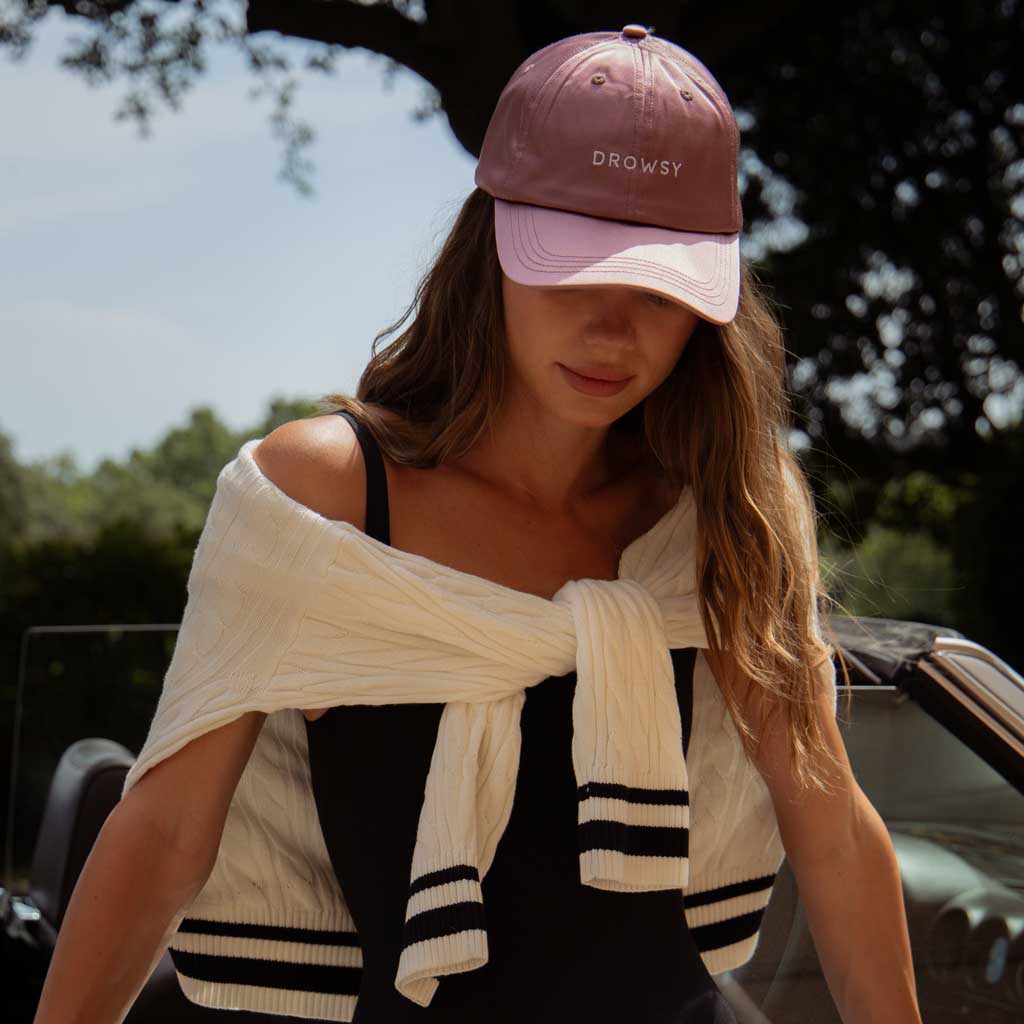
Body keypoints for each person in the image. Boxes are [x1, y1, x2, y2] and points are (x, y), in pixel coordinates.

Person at [32, 25, 923, 1024]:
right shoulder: (323, 498)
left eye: (659, 292)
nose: (611, 330)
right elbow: (163, 830)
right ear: (490, 244)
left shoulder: (726, 504)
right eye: (574, 267)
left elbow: (827, 817)